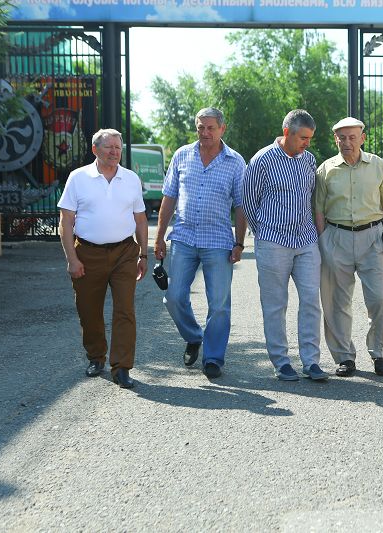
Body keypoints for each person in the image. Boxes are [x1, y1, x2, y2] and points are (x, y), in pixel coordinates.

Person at [154, 107, 247, 379]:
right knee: (173, 297)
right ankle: (194, 336)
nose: (205, 133)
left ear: (222, 129)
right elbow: (169, 197)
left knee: (218, 304)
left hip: (218, 241)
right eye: (200, 128)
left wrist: (239, 243)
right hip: (183, 238)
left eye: (210, 128)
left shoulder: (235, 162)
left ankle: (213, 358)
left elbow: (241, 205)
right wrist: (159, 237)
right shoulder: (182, 155)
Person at [242, 109, 329, 382]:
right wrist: (264, 232)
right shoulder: (262, 160)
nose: (307, 143)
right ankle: (281, 362)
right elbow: (248, 201)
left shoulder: (309, 160)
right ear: (287, 132)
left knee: (311, 301)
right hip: (273, 242)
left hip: (306, 241)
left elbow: (311, 197)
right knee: (275, 305)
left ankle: (311, 362)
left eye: (310, 138)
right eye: (303, 137)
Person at [58, 128, 148, 389]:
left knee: (125, 310)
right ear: (95, 149)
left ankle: (122, 367)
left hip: (124, 253)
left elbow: (141, 219)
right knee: (89, 310)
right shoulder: (78, 178)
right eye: (109, 147)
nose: (114, 152)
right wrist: (72, 259)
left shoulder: (131, 179)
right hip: (87, 253)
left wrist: (143, 254)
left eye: (118, 148)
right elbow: (66, 221)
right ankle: (96, 356)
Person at [314, 117, 383, 378]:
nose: (347, 142)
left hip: (371, 238)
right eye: (342, 138)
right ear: (335, 140)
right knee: (336, 301)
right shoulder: (325, 169)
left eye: (352, 137)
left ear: (362, 138)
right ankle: (344, 357)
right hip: (336, 237)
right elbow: (318, 210)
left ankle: (380, 354)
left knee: (380, 298)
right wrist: (323, 240)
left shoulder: (377, 165)